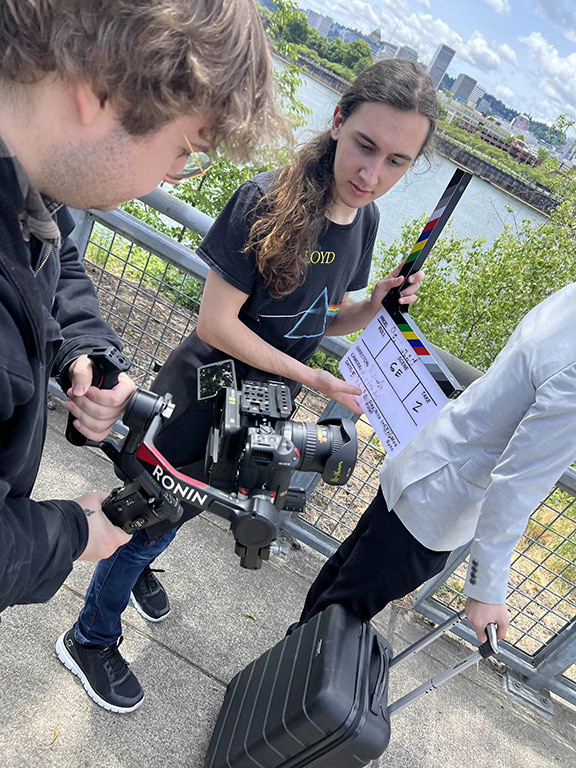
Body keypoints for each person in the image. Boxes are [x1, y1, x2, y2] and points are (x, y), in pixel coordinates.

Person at [59, 58, 437, 714]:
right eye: (365, 147)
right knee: (148, 512)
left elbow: (319, 319)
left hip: (262, 409)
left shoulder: (365, 224)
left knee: (192, 504)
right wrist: (308, 373)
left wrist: (373, 307)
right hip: (206, 387)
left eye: (398, 162)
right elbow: (215, 322)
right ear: (339, 121)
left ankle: (139, 569)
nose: (372, 176)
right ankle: (90, 636)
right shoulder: (265, 200)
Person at [0, 0, 282, 619]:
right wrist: (73, 533)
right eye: (187, 146)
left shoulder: (26, 178)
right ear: (99, 87)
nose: (180, 175)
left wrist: (84, 349)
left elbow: (52, 253)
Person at [294, 282, 576, 644]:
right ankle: (284, 684)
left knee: (340, 576)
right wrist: (486, 588)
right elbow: (518, 481)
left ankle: (283, 665)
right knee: (344, 610)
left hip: (424, 457)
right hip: (436, 508)